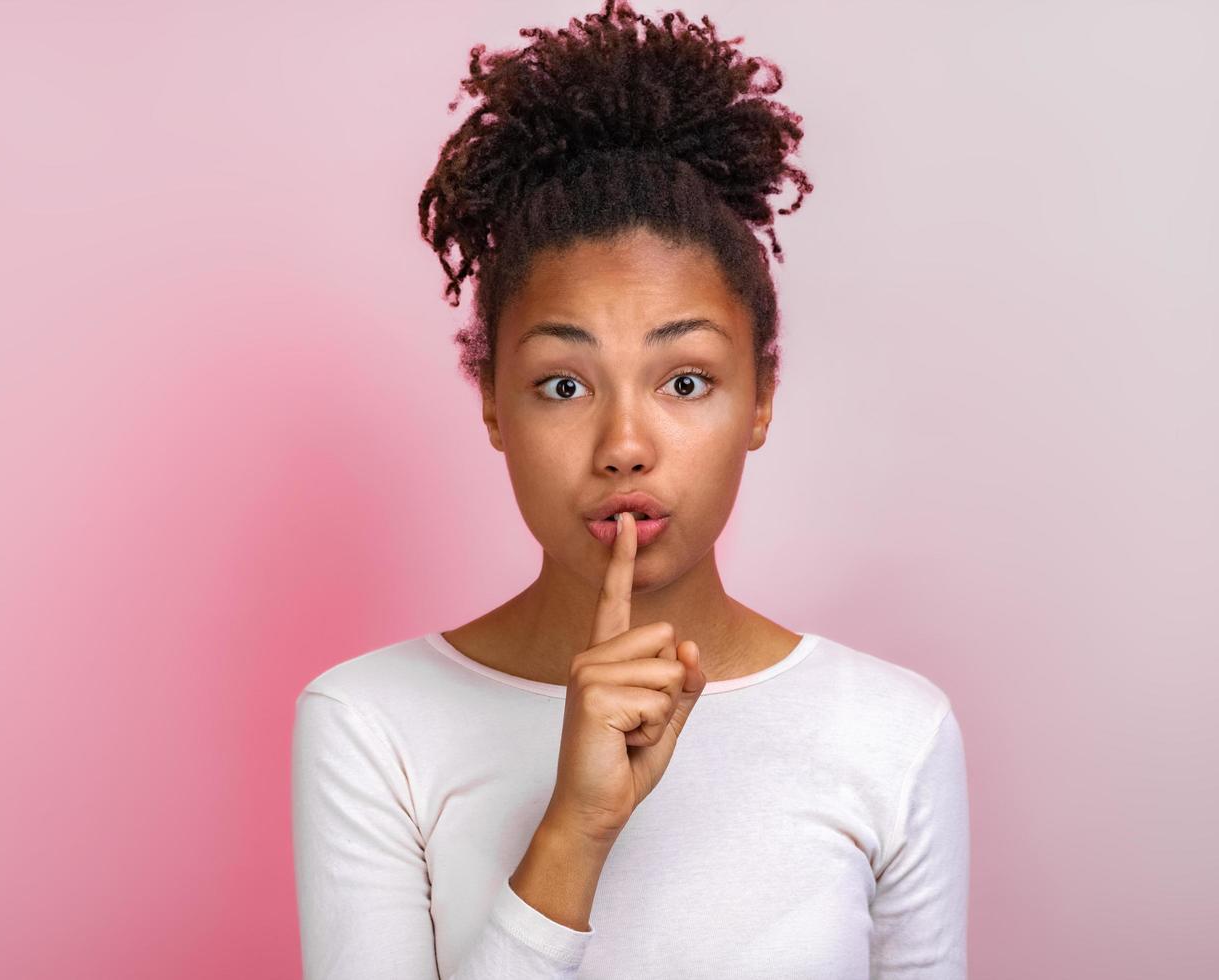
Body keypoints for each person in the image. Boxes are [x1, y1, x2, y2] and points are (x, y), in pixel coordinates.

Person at [290, 2, 969, 976]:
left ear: (760, 397)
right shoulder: (371, 722)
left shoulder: (891, 732)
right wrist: (574, 827)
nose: (622, 444)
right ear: (491, 402)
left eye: (683, 380)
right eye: (562, 384)